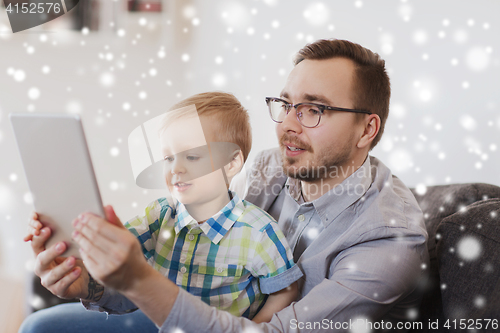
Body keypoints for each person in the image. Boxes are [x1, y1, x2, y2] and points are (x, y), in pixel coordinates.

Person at [22, 39, 428, 333]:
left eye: (313, 110)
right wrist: (89, 283)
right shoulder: (274, 167)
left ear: (367, 129)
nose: (286, 124)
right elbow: (202, 275)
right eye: (286, 104)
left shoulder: (390, 241)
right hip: (207, 318)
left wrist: (138, 280)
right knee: (41, 326)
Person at [21, 92, 302, 331]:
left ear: (231, 164)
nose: (175, 168)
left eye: (192, 156)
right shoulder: (159, 215)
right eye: (168, 158)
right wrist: (78, 253)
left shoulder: (258, 231)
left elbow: (285, 290)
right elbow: (122, 254)